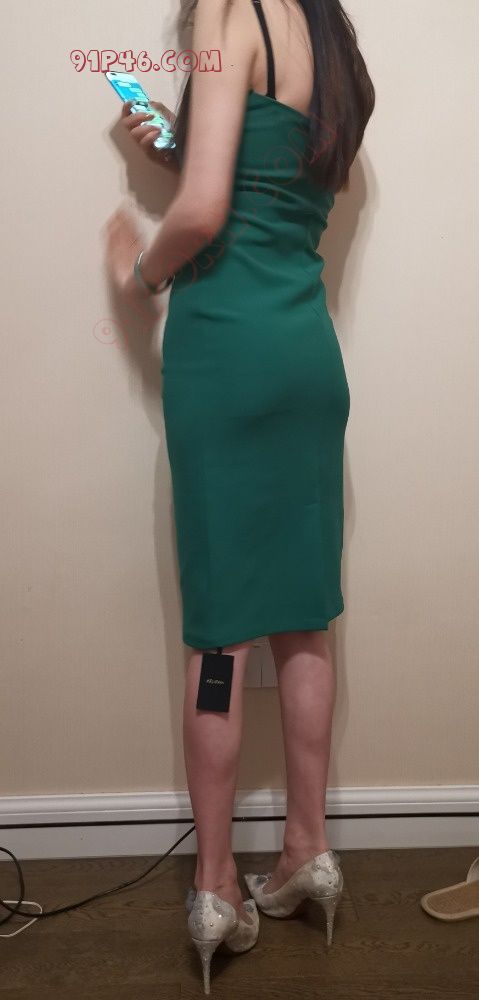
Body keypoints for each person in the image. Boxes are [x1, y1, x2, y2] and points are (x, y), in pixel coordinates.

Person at [104, 0, 375, 992]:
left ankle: (215, 883)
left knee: (218, 632)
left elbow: (206, 214)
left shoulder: (227, 10)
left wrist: (135, 272)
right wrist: (177, 146)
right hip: (304, 356)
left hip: (225, 355)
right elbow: (262, 186)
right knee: (304, 616)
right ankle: (308, 850)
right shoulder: (330, 38)